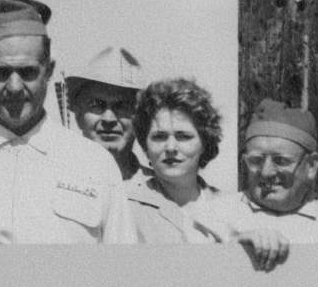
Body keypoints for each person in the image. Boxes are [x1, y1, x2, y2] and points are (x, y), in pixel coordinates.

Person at [0, 0, 133, 245]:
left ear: (49, 70)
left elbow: (123, 271)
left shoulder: (95, 164)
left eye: (27, 72)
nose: (14, 87)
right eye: (0, 73)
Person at [117, 78, 289, 268]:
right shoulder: (122, 203)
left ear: (204, 143)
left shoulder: (237, 209)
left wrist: (264, 242)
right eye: (159, 137)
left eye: (184, 137)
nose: (171, 147)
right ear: (145, 145)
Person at [227, 99, 318, 244]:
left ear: (311, 165)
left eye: (280, 161)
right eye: (256, 160)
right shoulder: (216, 217)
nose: (266, 172)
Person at [63, 46, 148, 179]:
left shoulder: (165, 193)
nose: (109, 119)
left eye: (122, 106)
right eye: (96, 105)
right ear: (78, 115)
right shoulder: (52, 183)